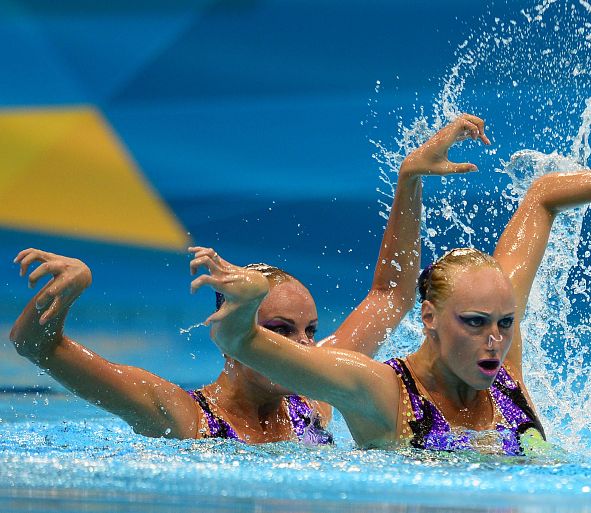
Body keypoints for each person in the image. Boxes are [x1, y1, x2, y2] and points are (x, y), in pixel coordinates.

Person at [193, 135, 591, 454]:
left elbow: (546, 194)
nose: (496, 339)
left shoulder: (505, 369)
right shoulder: (381, 392)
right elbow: (253, 348)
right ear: (431, 318)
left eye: (506, 322)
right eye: (476, 322)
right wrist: (241, 309)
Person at [8, 114, 492, 444]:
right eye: (281, 331)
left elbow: (391, 294)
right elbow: (36, 347)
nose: (303, 347)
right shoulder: (184, 417)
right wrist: (66, 292)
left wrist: (410, 180)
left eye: (310, 331)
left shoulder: (316, 398)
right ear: (229, 331)